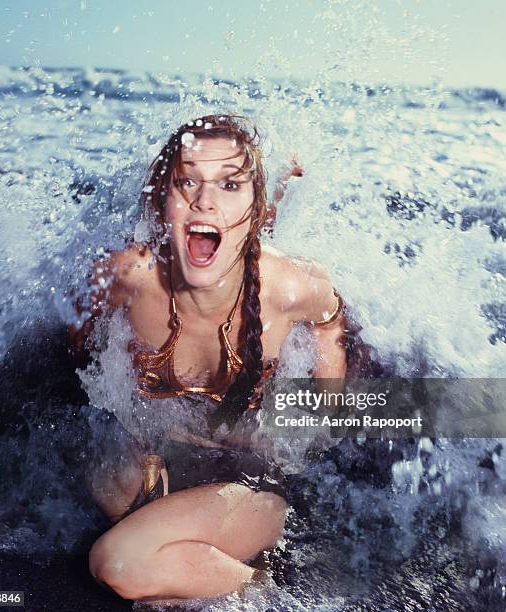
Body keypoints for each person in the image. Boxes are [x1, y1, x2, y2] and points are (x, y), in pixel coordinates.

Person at [68, 114, 347, 603]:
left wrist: (324, 396)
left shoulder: (288, 288)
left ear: (259, 211)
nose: (205, 200)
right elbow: (79, 329)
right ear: (163, 204)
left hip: (250, 482)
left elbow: (329, 316)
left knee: (118, 563)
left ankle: (262, 588)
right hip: (162, 467)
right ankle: (193, 566)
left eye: (231, 184)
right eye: (187, 182)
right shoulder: (129, 278)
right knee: (105, 479)